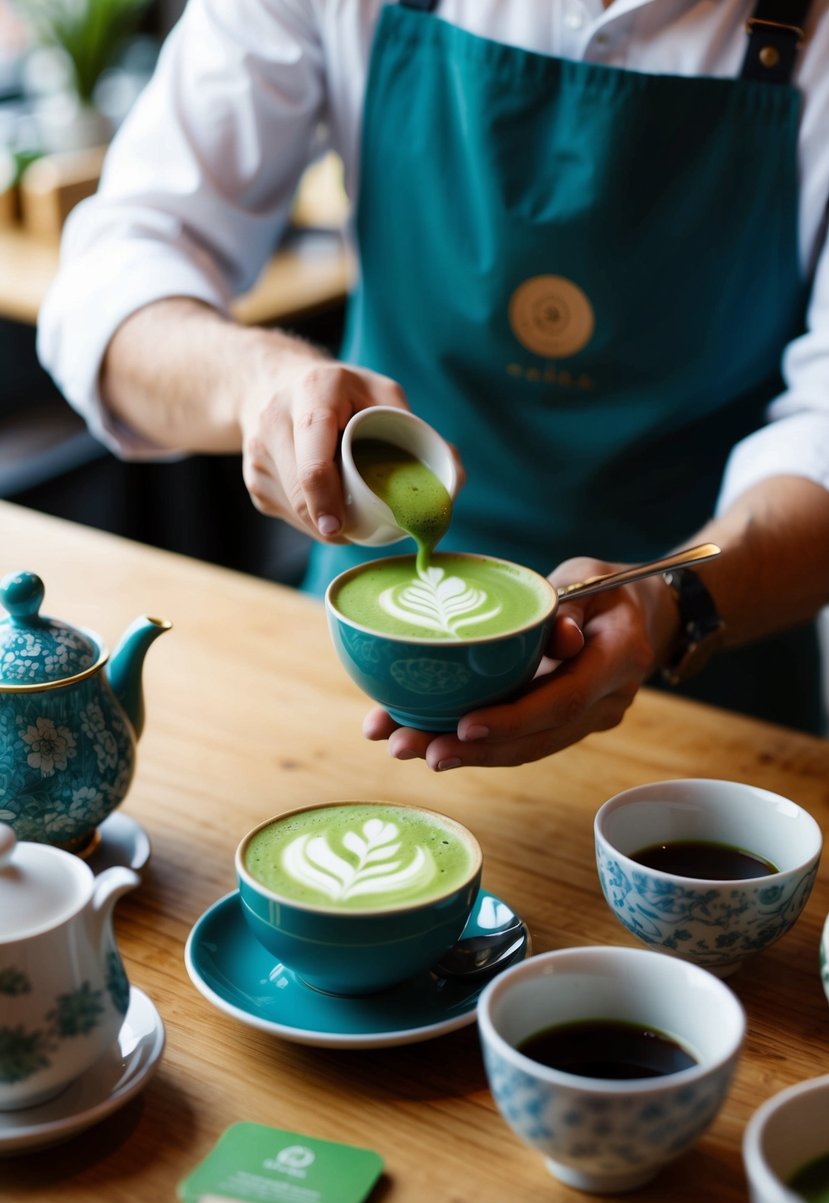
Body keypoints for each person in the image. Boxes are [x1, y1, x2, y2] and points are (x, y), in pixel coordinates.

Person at [38, 0, 829, 769]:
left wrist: (669, 604)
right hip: (358, 681)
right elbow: (113, 279)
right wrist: (258, 383)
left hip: (706, 690)